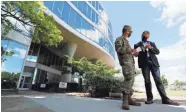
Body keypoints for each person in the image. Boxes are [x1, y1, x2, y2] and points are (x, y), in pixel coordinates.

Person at [134, 31, 180, 105]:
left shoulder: (152, 43)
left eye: (148, 35)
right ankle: (149, 98)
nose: (146, 35)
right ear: (142, 35)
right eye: (145, 34)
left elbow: (157, 52)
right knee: (147, 81)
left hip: (154, 63)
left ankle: (165, 99)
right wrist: (143, 47)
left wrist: (150, 47)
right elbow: (134, 53)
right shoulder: (137, 44)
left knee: (158, 80)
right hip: (144, 64)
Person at [115, 25, 141, 110]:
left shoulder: (127, 42)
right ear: (126, 31)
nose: (131, 33)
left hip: (131, 62)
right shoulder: (119, 39)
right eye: (130, 31)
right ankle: (125, 100)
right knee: (128, 78)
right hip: (125, 62)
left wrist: (135, 53)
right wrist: (130, 50)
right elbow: (119, 49)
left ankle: (129, 98)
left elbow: (129, 51)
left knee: (132, 80)